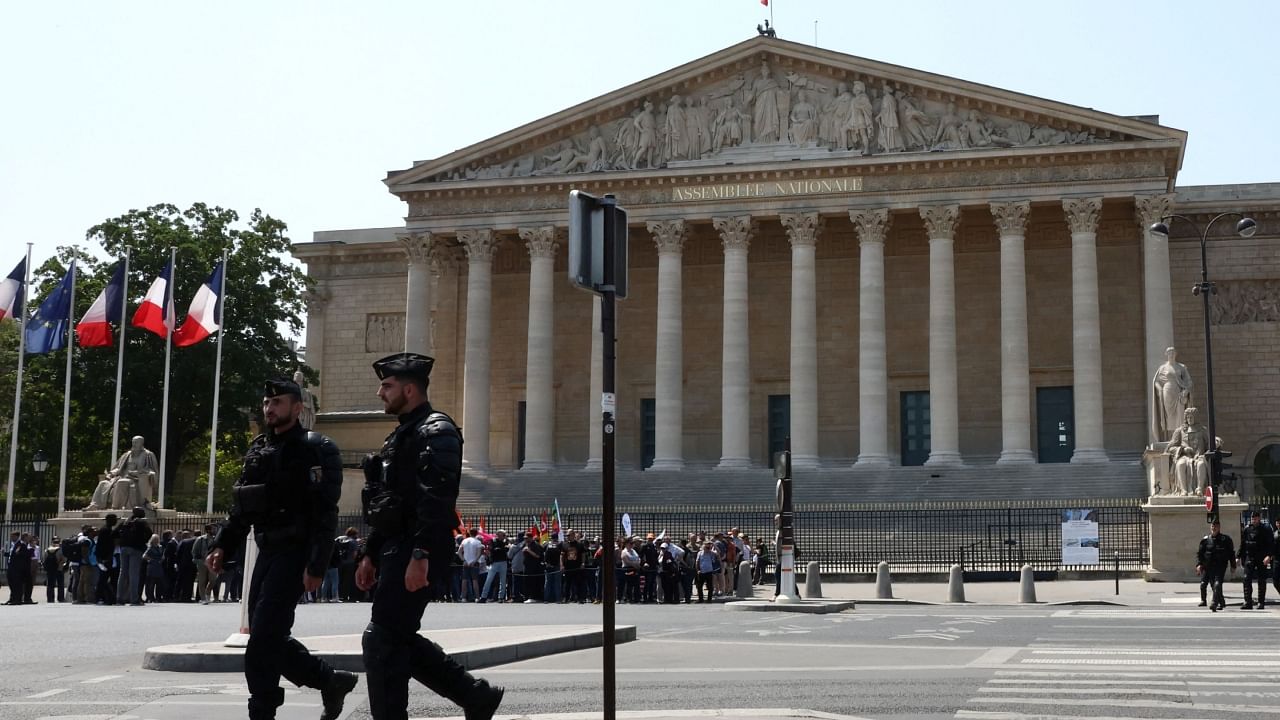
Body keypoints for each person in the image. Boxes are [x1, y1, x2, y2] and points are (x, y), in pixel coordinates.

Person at [353, 352, 504, 720]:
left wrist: (419, 555)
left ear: (409, 389)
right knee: (395, 637)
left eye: (386, 386)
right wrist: (370, 553)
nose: (379, 393)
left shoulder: (438, 431)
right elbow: (388, 504)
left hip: (418, 548)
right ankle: (475, 696)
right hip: (396, 546)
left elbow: (436, 499)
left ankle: (470, 697)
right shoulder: (401, 434)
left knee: (382, 639)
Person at [204, 377, 356, 720]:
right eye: (267, 403)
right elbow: (243, 506)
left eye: (278, 403)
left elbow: (325, 512)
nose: (270, 409)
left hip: (296, 550)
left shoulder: (316, 448)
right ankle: (329, 680)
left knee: (263, 641)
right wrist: (222, 545)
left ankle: (262, 711)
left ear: (297, 408)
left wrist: (317, 564)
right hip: (266, 550)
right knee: (265, 635)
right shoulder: (258, 448)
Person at [87, 435, 159, 510]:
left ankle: (115, 507)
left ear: (141, 443)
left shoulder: (148, 455)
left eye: (136, 442)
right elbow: (118, 468)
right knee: (103, 483)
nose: (134, 444)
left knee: (122, 482)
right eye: (133, 442)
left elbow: (151, 471)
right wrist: (111, 473)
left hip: (135, 479)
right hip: (121, 476)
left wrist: (137, 473)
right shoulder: (127, 455)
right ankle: (95, 505)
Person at [1151, 346, 1193, 445]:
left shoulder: (1181, 367)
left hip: (1179, 393)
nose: (1171, 355)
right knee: (1169, 417)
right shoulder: (1162, 368)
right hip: (1167, 392)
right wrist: (1159, 389)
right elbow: (1156, 382)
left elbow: (1189, 381)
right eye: (1169, 353)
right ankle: (1170, 439)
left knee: (1180, 415)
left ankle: (1181, 438)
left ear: (1176, 354)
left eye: (1173, 353)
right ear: (1167, 355)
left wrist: (1186, 390)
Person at [1196, 519, 1236, 612]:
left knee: (1217, 584)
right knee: (1208, 585)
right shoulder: (1206, 540)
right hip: (1208, 566)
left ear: (1219, 527)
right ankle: (1219, 601)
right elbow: (1200, 554)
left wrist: (1233, 565)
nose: (1214, 528)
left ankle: (1214, 603)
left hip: (1220, 566)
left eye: (1216, 527)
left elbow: (1231, 553)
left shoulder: (1225, 539)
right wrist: (1199, 565)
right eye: (1212, 526)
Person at [116, 507, 152, 606]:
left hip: (123, 548)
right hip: (136, 548)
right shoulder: (141, 522)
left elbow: (115, 533)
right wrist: (142, 541)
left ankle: (120, 598)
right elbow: (150, 533)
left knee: (123, 573)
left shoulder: (126, 522)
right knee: (134, 574)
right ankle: (134, 598)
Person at [1238, 511, 1273, 609]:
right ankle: (1247, 601)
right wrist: (1238, 556)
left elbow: (1270, 544)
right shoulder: (1247, 529)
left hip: (1261, 557)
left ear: (1259, 518)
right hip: (1250, 557)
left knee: (1261, 580)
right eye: (1253, 518)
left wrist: (1269, 556)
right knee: (1246, 579)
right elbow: (1243, 544)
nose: (1254, 520)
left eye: (1256, 518)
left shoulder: (1265, 529)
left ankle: (1261, 602)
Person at [480, 529, 509, 603]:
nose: (503, 536)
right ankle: (483, 596)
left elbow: (506, 549)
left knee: (503, 581)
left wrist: (502, 548)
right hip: (495, 562)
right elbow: (493, 550)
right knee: (489, 580)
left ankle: (501, 597)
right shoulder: (493, 541)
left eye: (503, 535)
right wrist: (502, 549)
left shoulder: (505, 541)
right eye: (502, 535)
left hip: (503, 562)